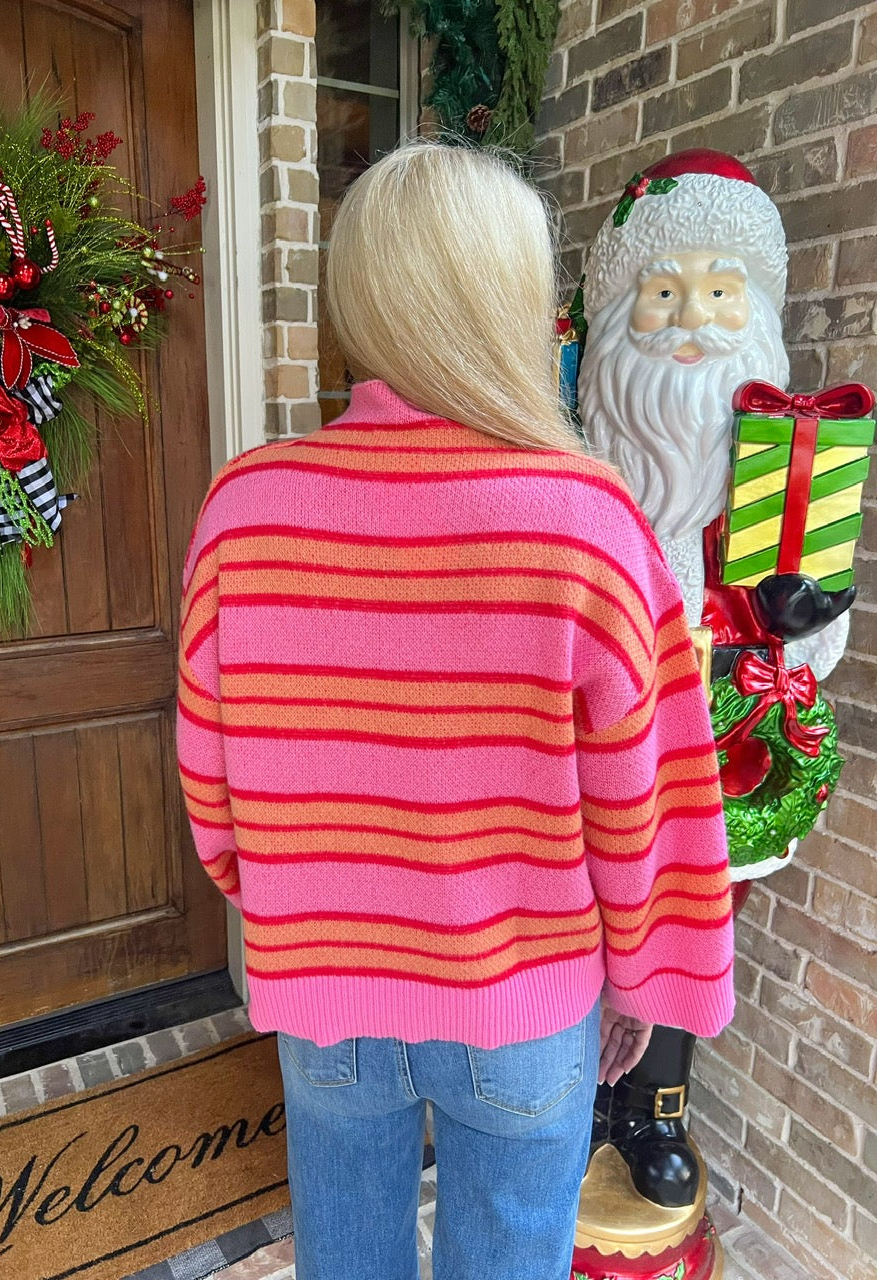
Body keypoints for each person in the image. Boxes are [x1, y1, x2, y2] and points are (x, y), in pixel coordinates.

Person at [177, 141, 735, 1280]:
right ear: (511, 301)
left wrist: (294, 900)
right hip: (521, 1002)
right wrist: (642, 976)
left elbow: (214, 786)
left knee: (346, 1259)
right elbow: (654, 799)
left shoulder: (246, 509)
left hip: (324, 991)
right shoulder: (584, 519)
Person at [577, 149, 854, 1209]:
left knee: (688, 927)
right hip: (592, 759)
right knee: (584, 923)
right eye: (661, 292)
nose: (688, 319)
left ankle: (653, 1112)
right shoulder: (582, 473)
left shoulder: (777, 477)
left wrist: (806, 618)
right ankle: (575, 1100)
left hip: (713, 758)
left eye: (719, 291)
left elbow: (809, 647)